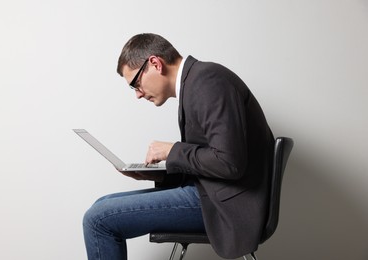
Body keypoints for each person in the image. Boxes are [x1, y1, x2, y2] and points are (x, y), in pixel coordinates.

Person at [83, 33, 274, 260]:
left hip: (227, 204)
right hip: (212, 192)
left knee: (98, 219)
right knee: (101, 205)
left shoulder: (208, 82)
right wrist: (158, 174)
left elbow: (229, 162)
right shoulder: (196, 82)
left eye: (135, 83)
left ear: (155, 63)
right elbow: (212, 159)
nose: (137, 94)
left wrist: (172, 150)